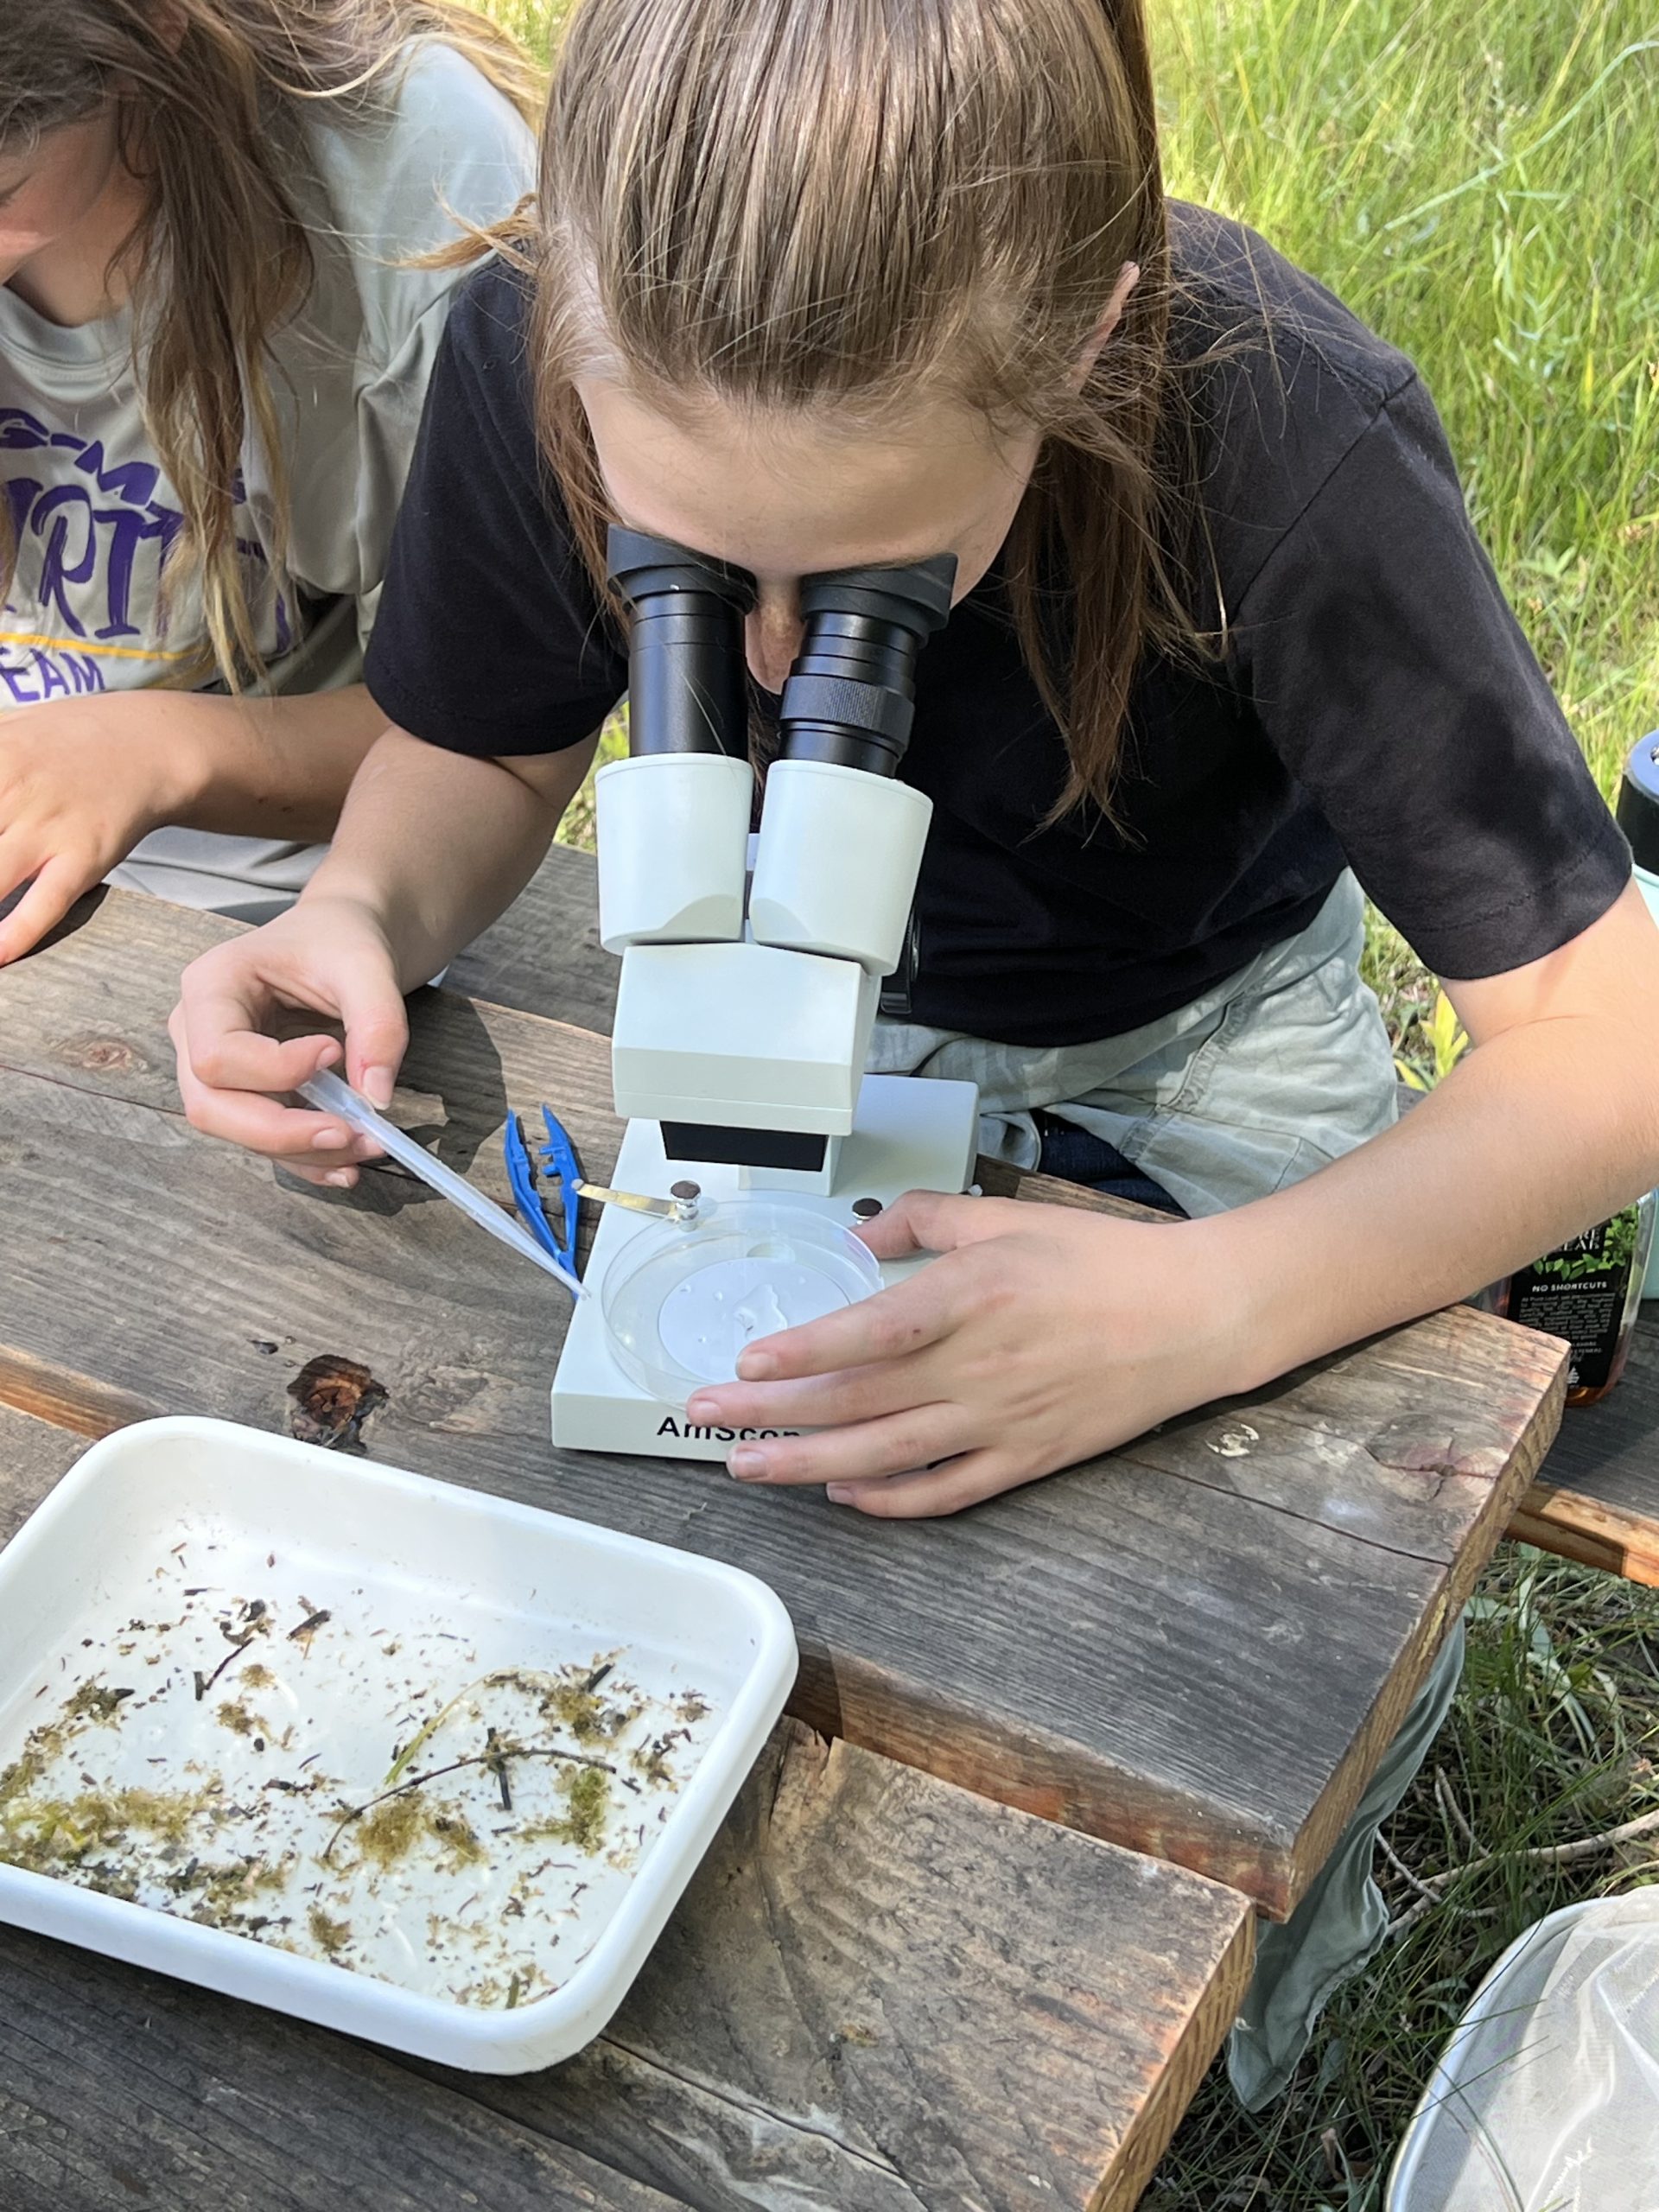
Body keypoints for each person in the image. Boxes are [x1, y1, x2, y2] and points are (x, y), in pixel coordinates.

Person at [168, 0, 1659, 2106]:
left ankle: (1229, 2050)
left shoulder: (1283, 427)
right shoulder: (542, 339)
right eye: (683, 571)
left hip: (1191, 1025)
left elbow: (1613, 1043)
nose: (767, 659)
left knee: (1236, 1619)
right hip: (788, 993)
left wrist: (1202, 1306)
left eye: (868, 581)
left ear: (1082, 348)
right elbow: (481, 738)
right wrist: (360, 911)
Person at [0, 0, 539, 959]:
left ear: (147, 30)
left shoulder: (413, 202)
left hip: (273, 907)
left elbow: (492, 725)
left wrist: (157, 755)